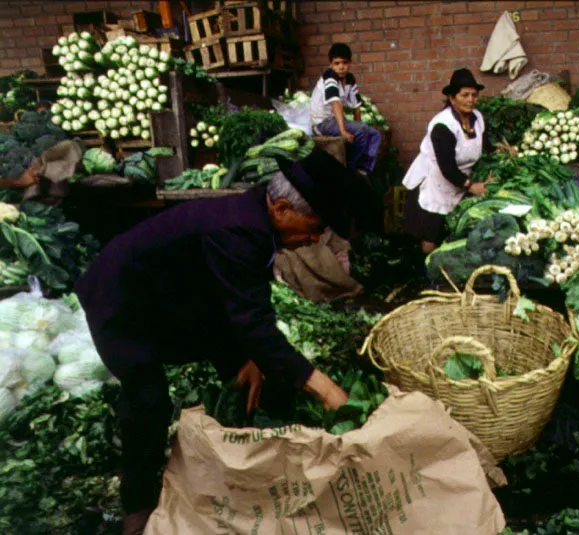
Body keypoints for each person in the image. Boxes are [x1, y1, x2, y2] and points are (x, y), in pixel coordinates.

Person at [75, 149, 370, 535]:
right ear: (282, 207)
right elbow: (257, 327)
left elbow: (241, 304)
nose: (315, 238)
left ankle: (253, 447)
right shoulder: (239, 229)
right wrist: (327, 390)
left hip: (178, 294)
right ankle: (138, 504)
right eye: (315, 227)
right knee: (147, 398)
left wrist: (247, 356)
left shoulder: (256, 218)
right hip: (121, 298)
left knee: (249, 371)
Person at [402, 68, 490, 254]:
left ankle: (445, 274)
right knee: (431, 234)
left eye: (474, 95)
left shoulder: (478, 119)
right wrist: (472, 186)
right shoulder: (443, 125)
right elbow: (447, 167)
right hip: (434, 182)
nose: (470, 100)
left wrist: (503, 150)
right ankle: (427, 275)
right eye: (464, 95)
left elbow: (485, 145)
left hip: (458, 181)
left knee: (451, 232)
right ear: (452, 98)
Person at [310, 43, 382, 175]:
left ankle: (363, 169)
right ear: (330, 64)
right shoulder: (329, 76)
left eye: (344, 63)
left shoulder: (349, 79)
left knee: (375, 134)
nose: (341, 67)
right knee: (362, 130)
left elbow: (356, 106)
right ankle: (351, 168)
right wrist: (343, 131)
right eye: (336, 63)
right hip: (322, 123)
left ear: (350, 63)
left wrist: (358, 124)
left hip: (335, 120)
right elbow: (336, 103)